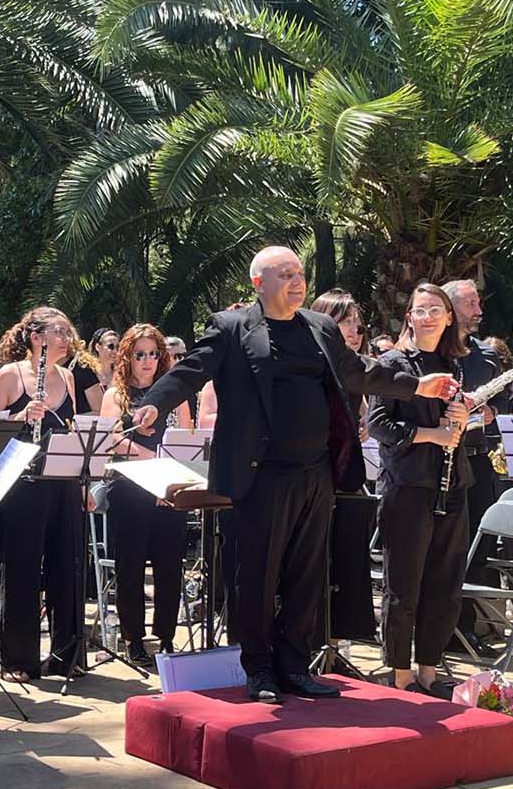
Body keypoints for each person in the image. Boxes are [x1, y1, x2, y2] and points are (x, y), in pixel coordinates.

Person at [129, 247, 459, 703]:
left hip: (316, 470)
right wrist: (155, 402)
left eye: (299, 273)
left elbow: (357, 371)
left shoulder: (319, 327)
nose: (296, 281)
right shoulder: (231, 327)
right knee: (258, 576)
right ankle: (259, 668)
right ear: (258, 283)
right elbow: (191, 370)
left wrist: (416, 385)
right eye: (284, 274)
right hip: (260, 473)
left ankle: (295, 666)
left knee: (307, 575)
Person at [369, 284, 473, 697]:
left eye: (436, 310)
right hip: (408, 486)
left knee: (444, 585)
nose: (428, 317)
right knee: (404, 586)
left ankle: (429, 670)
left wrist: (462, 418)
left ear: (449, 318)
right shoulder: (393, 364)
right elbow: (378, 424)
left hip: (452, 484)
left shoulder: (453, 365)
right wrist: (431, 434)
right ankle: (400, 674)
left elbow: (455, 429)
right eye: (420, 310)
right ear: (409, 318)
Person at [0, 307, 85, 682]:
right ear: (36, 337)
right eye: (59, 331)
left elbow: (72, 431)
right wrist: (20, 415)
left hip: (63, 481)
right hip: (24, 485)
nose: (66, 339)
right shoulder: (11, 374)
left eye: (68, 331)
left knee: (67, 565)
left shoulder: (68, 377)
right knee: (23, 569)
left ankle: (65, 655)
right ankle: (18, 658)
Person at [100, 324, 193, 664]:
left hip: (167, 487)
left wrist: (168, 476)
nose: (147, 360)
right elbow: (111, 438)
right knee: (131, 565)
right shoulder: (116, 394)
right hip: (130, 487)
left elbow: (185, 438)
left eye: (154, 354)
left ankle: (166, 635)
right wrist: (148, 458)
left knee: (170, 565)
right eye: (140, 354)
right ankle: (133, 637)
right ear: (128, 357)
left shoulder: (174, 393)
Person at [442, 279, 509, 657]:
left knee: (476, 549)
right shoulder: (434, 352)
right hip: (439, 458)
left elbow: (504, 404)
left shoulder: (486, 356)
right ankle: (435, 631)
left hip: (477, 459)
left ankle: (465, 630)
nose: (479, 310)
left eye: (478, 302)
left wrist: (490, 412)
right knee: (442, 550)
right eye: (470, 303)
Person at [309, 288, 378, 645]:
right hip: (315, 473)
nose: (354, 331)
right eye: (345, 323)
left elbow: (363, 411)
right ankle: (312, 643)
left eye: (358, 325)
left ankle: (335, 645)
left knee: (345, 563)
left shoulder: (357, 367)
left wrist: (364, 424)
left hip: (347, 474)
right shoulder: (311, 367)